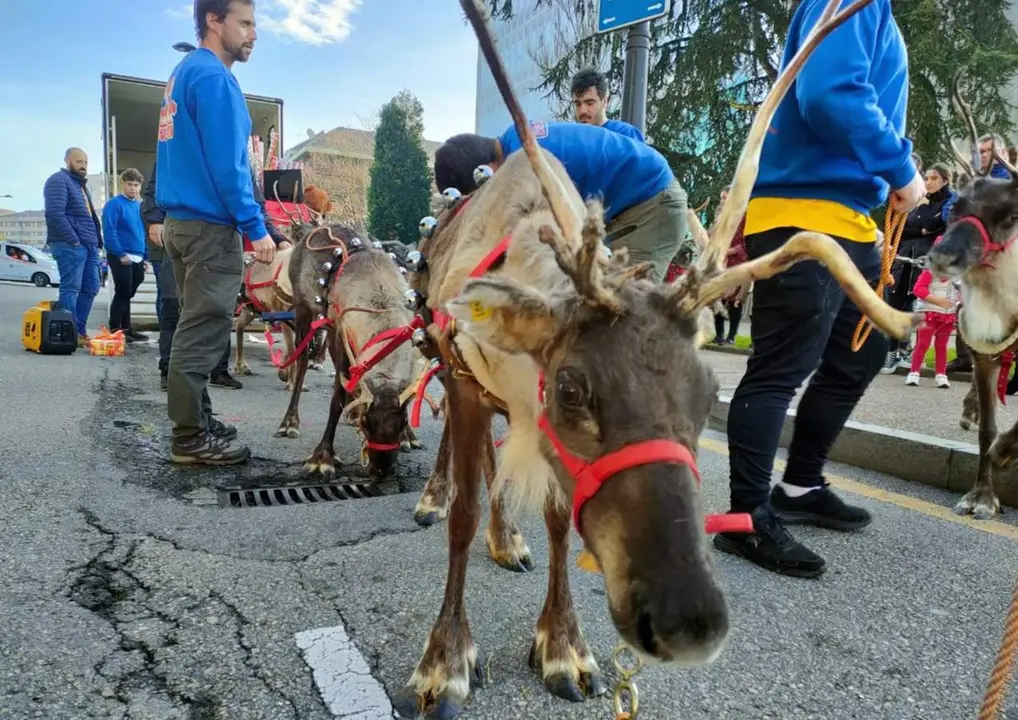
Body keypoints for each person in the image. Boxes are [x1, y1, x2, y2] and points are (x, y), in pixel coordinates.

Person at [713, 0, 926, 578]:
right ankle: (745, 519)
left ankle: (800, 487)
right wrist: (902, 168)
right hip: (805, 209)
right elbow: (830, 93)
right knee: (781, 366)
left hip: (847, 213)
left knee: (862, 352)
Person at [156, 0, 274, 465]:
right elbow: (230, 168)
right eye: (244, 23)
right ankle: (189, 438)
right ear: (213, 21)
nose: (253, 34)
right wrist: (255, 227)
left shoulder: (183, 72)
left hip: (182, 224)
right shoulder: (216, 80)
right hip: (209, 228)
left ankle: (198, 421)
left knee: (193, 326)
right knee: (203, 331)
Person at [434, 123, 687, 282]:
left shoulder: (527, 164)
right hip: (631, 204)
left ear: (486, 171)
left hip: (654, 206)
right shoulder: (517, 139)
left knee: (625, 309)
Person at [144, 156, 289, 390]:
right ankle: (170, 370)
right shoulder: (178, 143)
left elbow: (255, 203)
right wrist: (154, 219)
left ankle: (216, 371)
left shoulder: (238, 158)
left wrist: (277, 238)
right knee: (175, 307)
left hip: (222, 240)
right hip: (185, 233)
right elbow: (155, 187)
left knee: (220, 310)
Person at [881, 162, 956, 373]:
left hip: (925, 261)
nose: (928, 182)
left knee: (918, 306)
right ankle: (891, 352)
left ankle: (904, 351)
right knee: (896, 301)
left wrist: (926, 224)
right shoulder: (918, 201)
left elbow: (938, 226)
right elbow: (905, 228)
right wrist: (921, 228)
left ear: (945, 181)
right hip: (904, 257)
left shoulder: (948, 203)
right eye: (927, 178)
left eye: (933, 178)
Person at [43, 147, 103, 346]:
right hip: (70, 244)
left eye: (85, 162)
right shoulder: (58, 180)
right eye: (79, 162)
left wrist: (96, 242)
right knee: (71, 288)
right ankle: (70, 334)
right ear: (67, 160)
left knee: (92, 287)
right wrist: (74, 241)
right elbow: (55, 214)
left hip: (90, 245)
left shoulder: (80, 186)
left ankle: (78, 330)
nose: (83, 166)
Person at [102, 168, 149, 341]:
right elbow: (109, 231)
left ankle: (126, 329)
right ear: (123, 184)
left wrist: (145, 257)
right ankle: (116, 329)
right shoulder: (114, 204)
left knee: (128, 292)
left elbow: (143, 232)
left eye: (136, 185)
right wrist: (119, 253)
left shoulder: (140, 205)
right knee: (123, 291)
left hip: (138, 255)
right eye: (130, 184)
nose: (133, 188)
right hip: (120, 254)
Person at [905, 258, 960, 388]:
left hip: (948, 314)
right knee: (923, 343)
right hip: (928, 311)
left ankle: (941, 374)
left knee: (942, 345)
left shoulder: (958, 274)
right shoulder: (929, 271)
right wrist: (936, 300)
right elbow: (918, 289)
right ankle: (914, 372)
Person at [710, 185, 751, 345]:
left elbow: (748, 241)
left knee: (735, 301)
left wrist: (730, 251)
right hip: (720, 262)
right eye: (721, 198)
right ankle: (719, 335)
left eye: (725, 198)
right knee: (716, 298)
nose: (722, 201)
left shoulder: (746, 215)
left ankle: (731, 336)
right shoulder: (720, 215)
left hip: (737, 262)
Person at [570, 68, 645, 142]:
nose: (582, 111)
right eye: (577, 104)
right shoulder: (571, 139)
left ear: (605, 101)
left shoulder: (625, 134)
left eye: (590, 103)